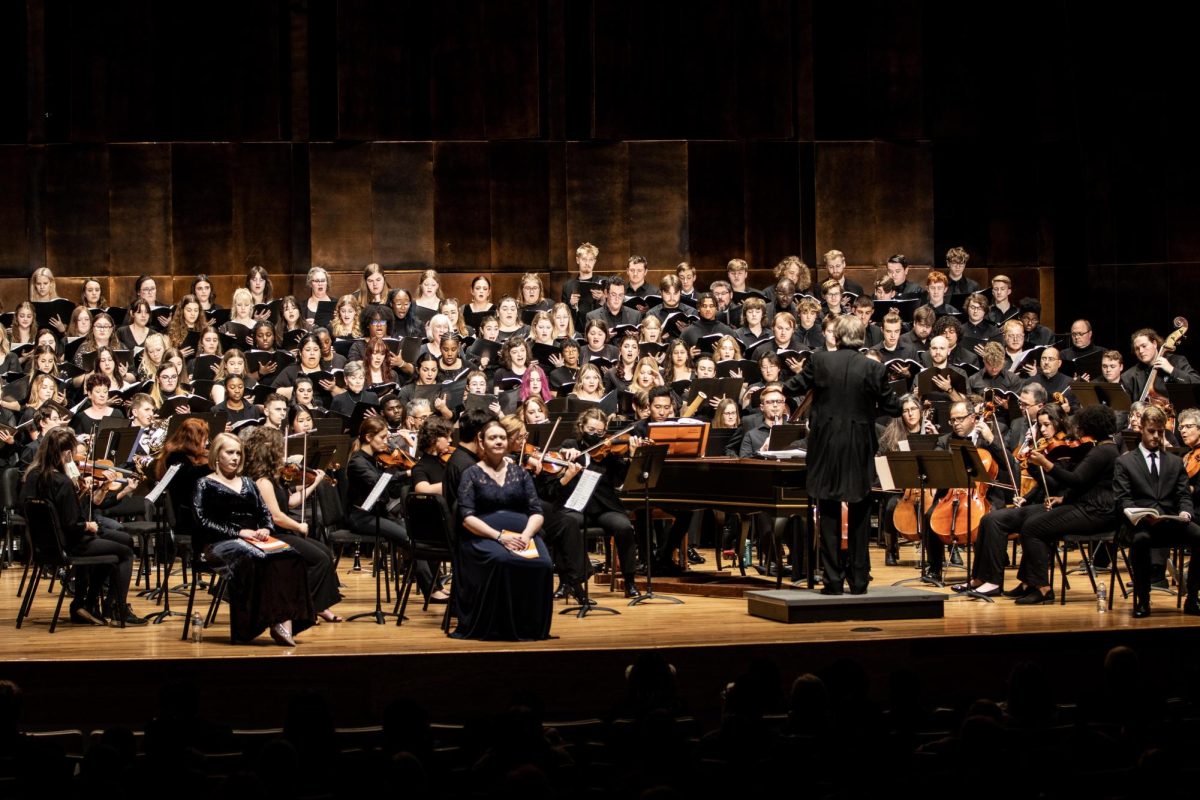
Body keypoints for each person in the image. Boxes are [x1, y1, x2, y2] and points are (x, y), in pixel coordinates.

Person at [785, 315, 900, 594]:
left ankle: (833, 581)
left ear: (836, 336)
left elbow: (793, 387)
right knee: (860, 510)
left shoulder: (820, 360)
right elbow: (893, 406)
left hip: (825, 445)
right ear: (861, 338)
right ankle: (859, 581)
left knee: (828, 511)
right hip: (859, 444)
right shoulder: (874, 368)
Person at [192, 432, 313, 645]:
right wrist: (238, 532)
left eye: (238, 453)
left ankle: (285, 624)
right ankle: (260, 624)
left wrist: (266, 528)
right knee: (256, 558)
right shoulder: (204, 484)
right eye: (230, 452)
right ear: (216, 455)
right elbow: (202, 521)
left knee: (291, 555)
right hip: (219, 542)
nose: (235, 457)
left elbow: (264, 512)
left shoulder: (248, 482)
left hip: (253, 538)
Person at [19, 426, 145, 626]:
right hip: (69, 544)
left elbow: (52, 511)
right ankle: (115, 607)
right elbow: (73, 524)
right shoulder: (62, 481)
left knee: (120, 539)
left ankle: (86, 603)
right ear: (67, 453)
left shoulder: (32, 476)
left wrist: (81, 498)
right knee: (125, 551)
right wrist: (88, 525)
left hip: (45, 544)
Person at [454, 418, 554, 640]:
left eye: (501, 437)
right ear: (482, 442)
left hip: (522, 535)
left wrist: (526, 536)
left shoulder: (521, 473)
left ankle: (530, 626)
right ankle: (500, 625)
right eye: (492, 438)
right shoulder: (470, 474)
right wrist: (500, 537)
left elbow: (536, 511)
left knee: (544, 563)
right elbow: (467, 517)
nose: (498, 441)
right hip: (483, 536)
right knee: (501, 560)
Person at [242, 427, 343, 624]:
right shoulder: (262, 481)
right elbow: (276, 516)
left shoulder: (274, 477)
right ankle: (304, 609)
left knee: (324, 552)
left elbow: (291, 503)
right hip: (271, 535)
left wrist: (314, 484)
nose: (284, 453)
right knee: (320, 559)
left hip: (282, 531)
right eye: (280, 448)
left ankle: (315, 606)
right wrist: (299, 526)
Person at [347, 418, 447, 603]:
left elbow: (390, 490)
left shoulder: (376, 459)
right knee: (409, 540)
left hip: (380, 513)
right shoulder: (357, 462)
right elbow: (378, 481)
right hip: (362, 517)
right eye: (383, 437)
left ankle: (437, 583)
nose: (387, 442)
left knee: (420, 534)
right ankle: (430, 590)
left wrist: (401, 472)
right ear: (369, 437)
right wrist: (407, 473)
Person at [1113, 406, 1200, 618]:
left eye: (1160, 432)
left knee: (1199, 535)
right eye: (1151, 431)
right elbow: (1122, 499)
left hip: (1169, 522)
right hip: (1140, 525)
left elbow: (1184, 495)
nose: (1156, 436)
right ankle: (1142, 599)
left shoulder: (1174, 461)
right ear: (1141, 429)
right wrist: (1138, 515)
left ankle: (1192, 596)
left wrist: (1186, 512)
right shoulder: (1125, 461)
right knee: (1141, 541)